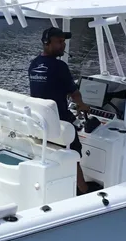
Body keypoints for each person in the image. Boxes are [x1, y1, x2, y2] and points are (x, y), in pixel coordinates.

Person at [28, 27, 92, 195]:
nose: (63, 46)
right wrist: (82, 105)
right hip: (60, 121)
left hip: (41, 121)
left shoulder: (34, 64)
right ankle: (83, 190)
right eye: (59, 42)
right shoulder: (59, 66)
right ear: (46, 43)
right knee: (74, 153)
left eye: (64, 42)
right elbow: (74, 93)